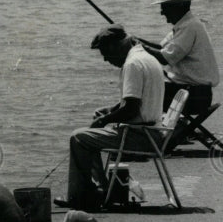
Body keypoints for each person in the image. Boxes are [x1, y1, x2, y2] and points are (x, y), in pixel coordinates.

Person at [64, 24, 165, 211]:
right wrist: (109, 111)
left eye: (105, 53)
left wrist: (104, 120)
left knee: (78, 137)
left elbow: (131, 109)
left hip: (142, 137)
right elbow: (132, 102)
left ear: (116, 47)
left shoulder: (132, 65)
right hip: (153, 131)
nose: (105, 59)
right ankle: (99, 189)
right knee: (92, 129)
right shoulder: (146, 57)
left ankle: (84, 195)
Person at [141, 0, 220, 114]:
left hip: (194, 96)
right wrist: (136, 40)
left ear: (178, 7)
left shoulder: (189, 27)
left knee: (144, 93)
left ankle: (145, 130)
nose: (162, 12)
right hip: (191, 92)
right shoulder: (185, 24)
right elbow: (162, 48)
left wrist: (139, 46)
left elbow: (165, 58)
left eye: (165, 8)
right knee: (146, 89)